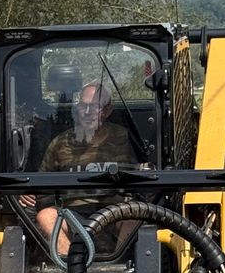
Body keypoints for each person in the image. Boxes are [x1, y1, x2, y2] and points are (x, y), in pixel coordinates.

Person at [22, 82, 140, 256]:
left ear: (107, 111)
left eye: (94, 107)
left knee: (135, 215)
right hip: (71, 214)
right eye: (83, 106)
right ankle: (71, 267)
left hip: (115, 212)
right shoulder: (61, 143)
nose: (87, 113)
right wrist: (28, 192)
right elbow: (44, 184)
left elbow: (146, 176)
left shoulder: (126, 139)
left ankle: (115, 263)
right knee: (45, 217)